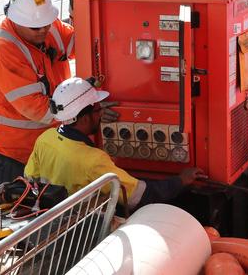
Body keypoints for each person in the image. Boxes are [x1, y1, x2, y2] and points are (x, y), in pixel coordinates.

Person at [0, 0, 116, 191]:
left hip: (45, 146)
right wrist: (86, 106)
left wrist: (83, 16)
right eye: (36, 27)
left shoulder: (47, 27)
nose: (44, 30)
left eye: (47, 23)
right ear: (16, 21)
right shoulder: (3, 51)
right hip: (11, 152)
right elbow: (38, 109)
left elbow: (81, 45)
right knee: (15, 212)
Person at [24, 77, 207, 211]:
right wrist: (181, 180)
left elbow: (30, 178)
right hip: (82, 230)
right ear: (85, 118)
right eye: (98, 109)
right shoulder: (93, 160)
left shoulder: (45, 139)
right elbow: (139, 196)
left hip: (52, 218)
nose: (102, 113)